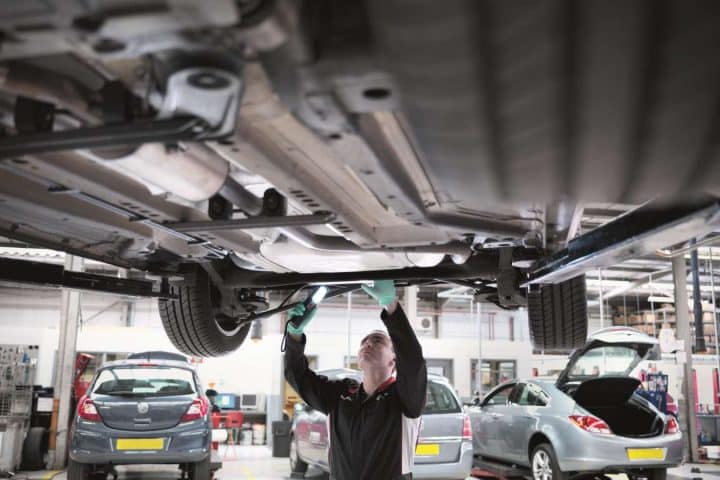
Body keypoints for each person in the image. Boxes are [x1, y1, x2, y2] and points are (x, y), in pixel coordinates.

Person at [284, 280, 427, 480]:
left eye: (377, 341)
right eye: (364, 342)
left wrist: (391, 306)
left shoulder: (405, 398)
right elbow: (297, 376)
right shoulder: (339, 395)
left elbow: (413, 362)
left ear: (394, 360)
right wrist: (294, 335)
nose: (367, 344)